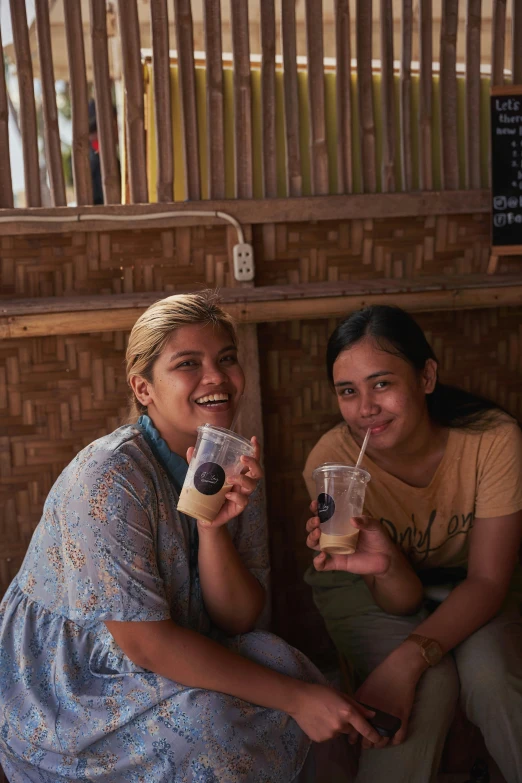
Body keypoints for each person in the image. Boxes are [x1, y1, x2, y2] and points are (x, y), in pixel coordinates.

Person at [0, 291, 380, 783]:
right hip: (76, 681)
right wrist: (295, 700)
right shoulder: (109, 477)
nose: (217, 376)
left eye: (226, 359)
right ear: (144, 389)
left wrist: (212, 528)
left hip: (178, 638)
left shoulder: (232, 463)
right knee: (212, 724)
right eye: (188, 363)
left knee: (285, 662)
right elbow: (145, 644)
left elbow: (240, 618)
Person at [303, 305, 522, 783]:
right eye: (348, 391)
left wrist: (406, 660)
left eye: (382, 383)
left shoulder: (493, 441)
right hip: (369, 589)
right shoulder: (333, 464)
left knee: (490, 678)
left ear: (426, 376)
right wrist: (386, 568)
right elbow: (399, 604)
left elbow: (487, 580)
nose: (365, 408)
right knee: (430, 688)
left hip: (473, 581)